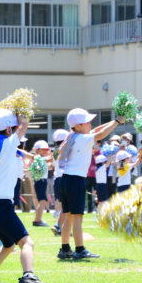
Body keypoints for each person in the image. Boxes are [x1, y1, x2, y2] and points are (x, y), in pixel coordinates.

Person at [0, 109, 52, 283]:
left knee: (8, 246)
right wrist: (21, 112)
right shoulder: (9, 144)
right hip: (2, 204)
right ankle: (29, 276)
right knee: (27, 242)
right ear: (9, 129)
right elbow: (23, 126)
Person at [54, 108, 125, 260]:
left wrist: (113, 121)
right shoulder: (83, 139)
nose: (90, 125)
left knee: (67, 217)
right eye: (87, 122)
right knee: (78, 217)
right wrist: (117, 122)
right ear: (78, 125)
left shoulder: (72, 135)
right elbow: (100, 134)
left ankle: (65, 249)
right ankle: (80, 249)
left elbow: (96, 130)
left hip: (65, 180)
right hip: (76, 181)